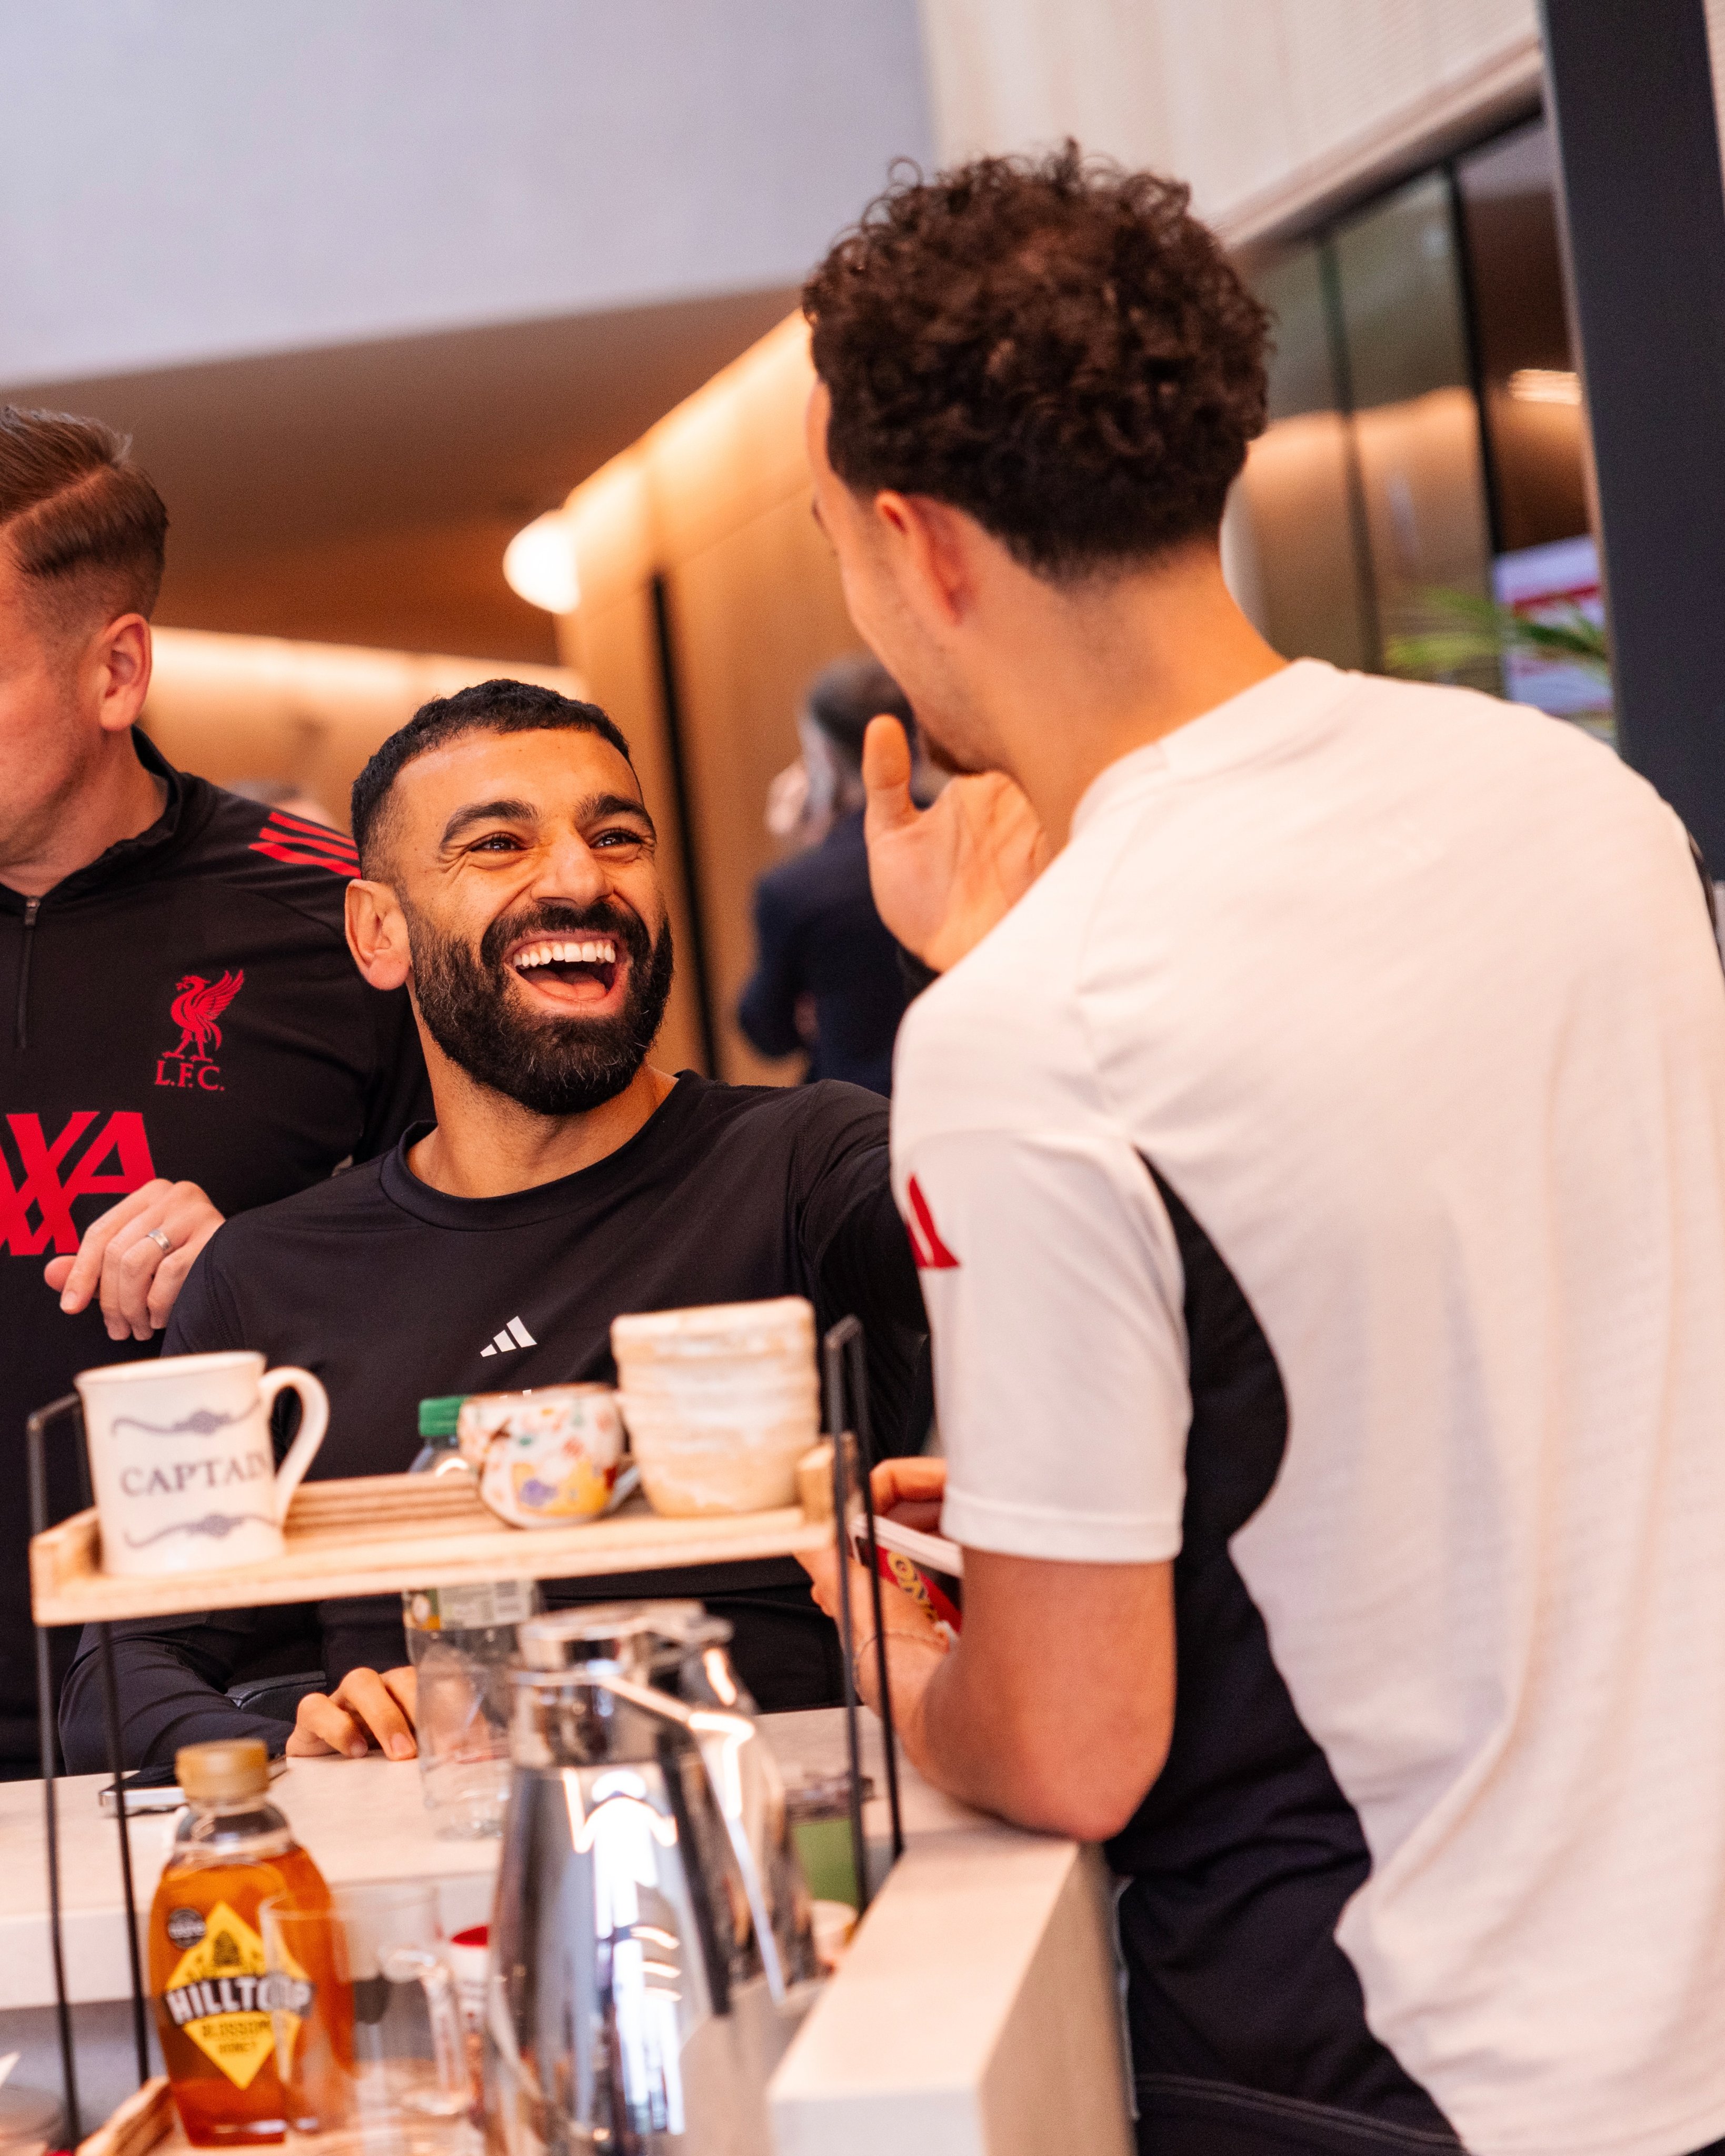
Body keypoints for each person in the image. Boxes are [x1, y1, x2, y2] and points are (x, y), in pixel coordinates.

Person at [797, 148, 1725, 2156]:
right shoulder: (1579, 806)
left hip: (1375, 2065)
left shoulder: (1033, 1026)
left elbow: (1067, 1741)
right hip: (1675, 2012)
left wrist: (900, 1656)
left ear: (912, 543)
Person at [59, 679, 928, 1772]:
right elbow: (117, 1673)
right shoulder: (268, 1271)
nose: (577, 879)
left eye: (618, 837)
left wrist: (964, 972)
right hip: (421, 1887)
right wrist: (293, 1734)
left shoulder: (803, 1159)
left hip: (795, 1853)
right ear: (380, 931)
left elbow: (993, 1253)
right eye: (497, 846)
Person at [0, 406, 429, 1777]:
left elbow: (499, 1277)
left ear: (116, 669)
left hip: (228, 1728)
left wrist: (274, 1252)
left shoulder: (338, 925)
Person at [738, 654, 917, 1093]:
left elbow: (768, 1032)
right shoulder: (973, 834)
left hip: (863, 1120)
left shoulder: (797, 888)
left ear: (821, 755)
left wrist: (803, 854)